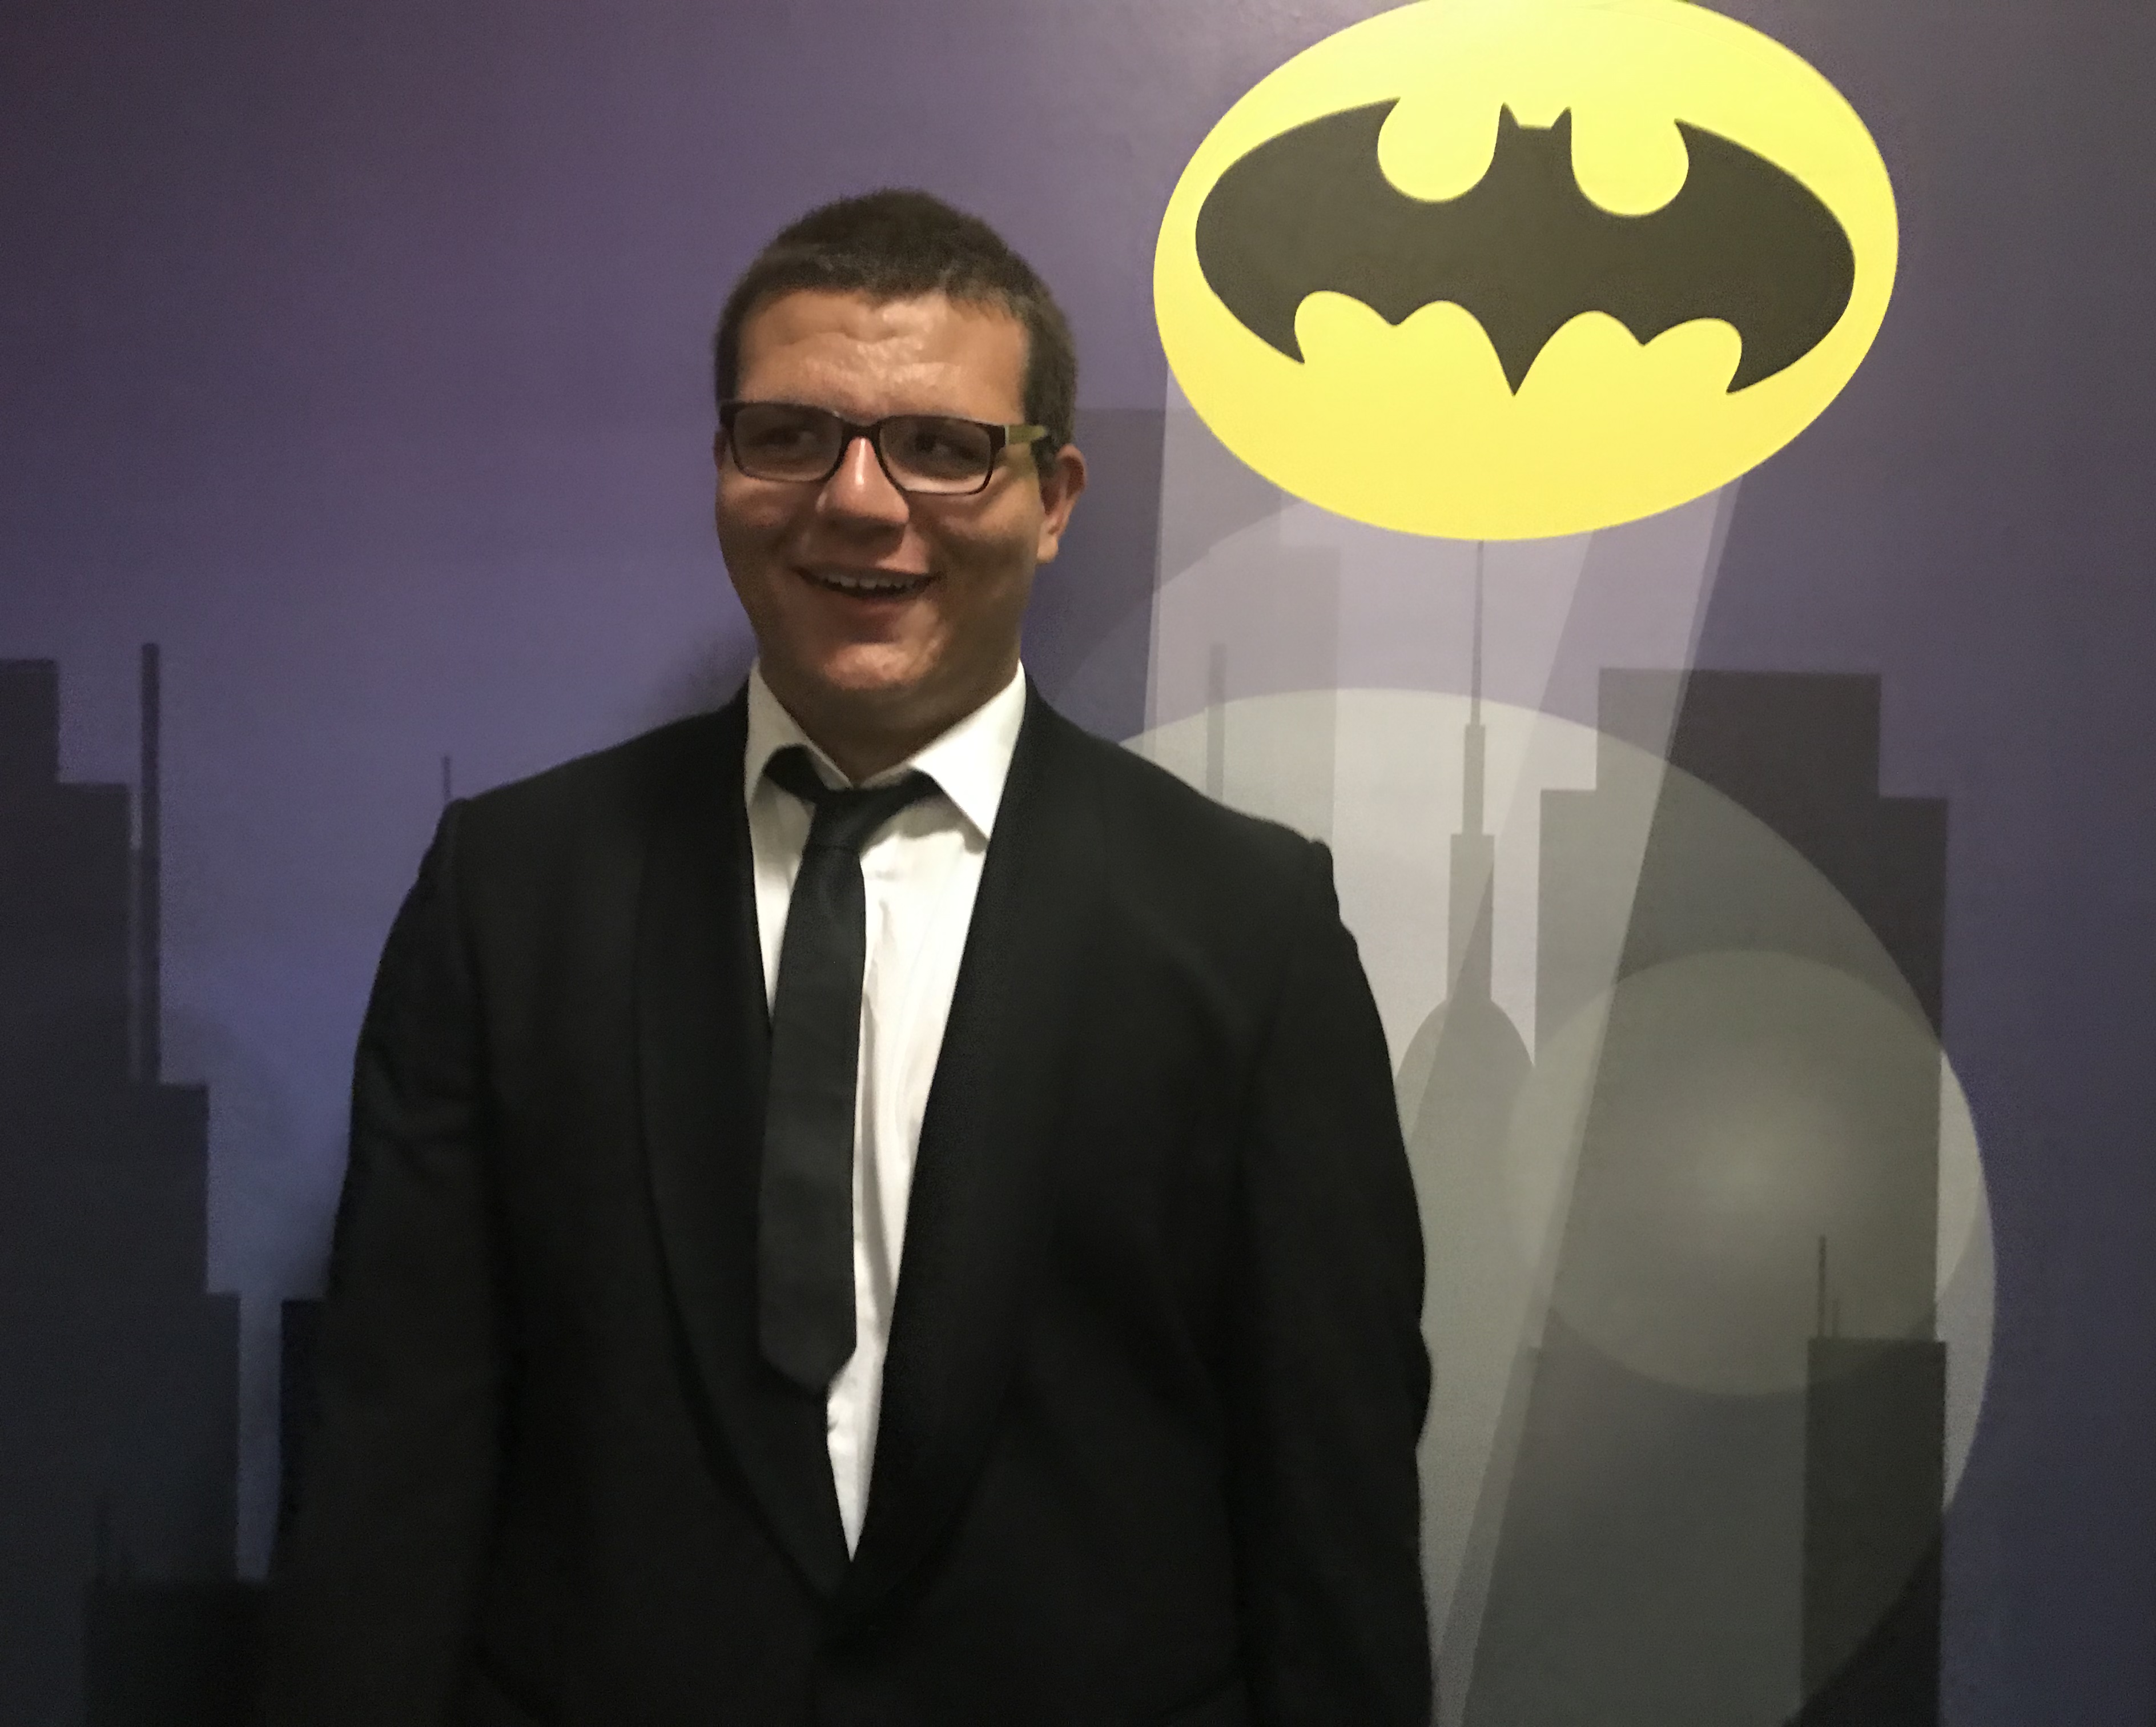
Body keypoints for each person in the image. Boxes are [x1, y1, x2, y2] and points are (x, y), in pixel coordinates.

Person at [259, 190, 1431, 1726]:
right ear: (724, 470)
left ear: (1054, 497)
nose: (862, 502)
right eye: (791, 436)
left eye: (942, 446)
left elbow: (1329, 1499)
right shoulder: (513, 894)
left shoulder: (1247, 926)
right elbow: (392, 1459)